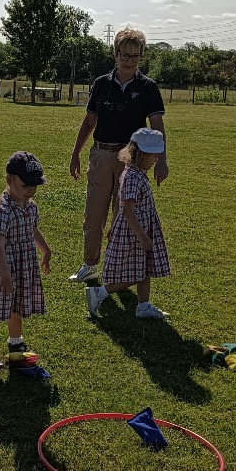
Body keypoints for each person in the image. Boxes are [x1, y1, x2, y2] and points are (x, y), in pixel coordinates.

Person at [69, 28, 168, 284]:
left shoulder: (148, 87)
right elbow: (90, 120)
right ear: (115, 54)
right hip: (101, 154)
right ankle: (89, 264)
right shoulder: (101, 84)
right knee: (94, 214)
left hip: (131, 160)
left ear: (141, 57)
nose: (130, 60)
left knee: (123, 217)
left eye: (135, 56)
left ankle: (118, 269)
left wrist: (162, 159)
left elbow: (157, 125)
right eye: (125, 55)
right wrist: (76, 152)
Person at [0, 152, 52, 367]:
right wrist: (4, 273)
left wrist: (45, 249)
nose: (31, 190)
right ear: (9, 180)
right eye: (25, 185)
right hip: (4, 269)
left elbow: (33, 230)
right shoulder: (2, 211)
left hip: (24, 265)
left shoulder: (31, 206)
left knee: (17, 306)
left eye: (34, 185)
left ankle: (16, 342)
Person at [86, 128, 170, 319]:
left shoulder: (135, 172)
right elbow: (128, 207)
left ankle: (143, 305)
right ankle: (99, 293)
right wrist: (141, 235)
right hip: (134, 233)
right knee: (135, 274)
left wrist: (115, 223)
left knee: (145, 268)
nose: (156, 159)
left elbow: (119, 201)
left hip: (141, 228)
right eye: (153, 156)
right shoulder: (132, 176)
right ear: (140, 154)